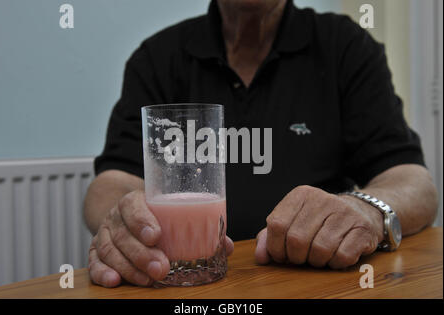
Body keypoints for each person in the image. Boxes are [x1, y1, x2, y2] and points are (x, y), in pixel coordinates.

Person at [83, 0, 438, 288]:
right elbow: (112, 182)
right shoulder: (158, 57)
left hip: (315, 283)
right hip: (184, 284)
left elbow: (415, 183)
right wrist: (126, 224)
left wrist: (367, 210)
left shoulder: (346, 46)